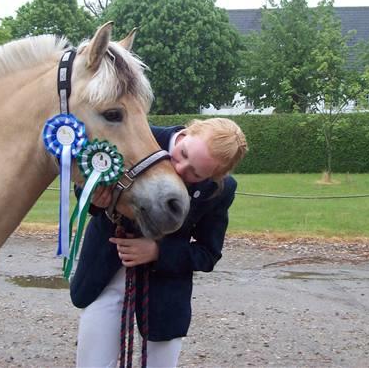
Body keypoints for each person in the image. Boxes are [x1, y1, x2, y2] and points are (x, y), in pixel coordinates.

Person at [70, 117, 248, 368]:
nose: (180, 169)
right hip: (104, 272)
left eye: (195, 173)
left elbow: (208, 253)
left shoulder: (221, 190)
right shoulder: (138, 136)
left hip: (164, 291)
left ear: (216, 176)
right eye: (182, 154)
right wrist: (95, 198)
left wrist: (157, 251)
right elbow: (85, 187)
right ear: (186, 133)